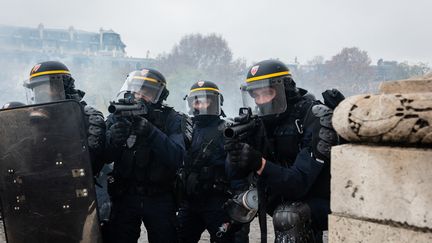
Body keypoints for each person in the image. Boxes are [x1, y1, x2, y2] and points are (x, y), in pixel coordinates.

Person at [225, 60, 339, 242]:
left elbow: (299, 183)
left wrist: (258, 163)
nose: (261, 101)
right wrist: (235, 152)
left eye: (267, 93)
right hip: (284, 198)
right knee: (235, 206)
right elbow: (234, 176)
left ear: (284, 89)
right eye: (256, 95)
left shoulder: (314, 117)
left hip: (326, 199)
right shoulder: (262, 122)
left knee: (287, 216)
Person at [105, 69, 186, 243]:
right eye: (134, 90)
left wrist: (151, 132)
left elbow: (178, 157)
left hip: (159, 197)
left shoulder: (171, 119)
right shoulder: (117, 115)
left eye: (145, 92)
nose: (138, 96)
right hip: (124, 195)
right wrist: (112, 139)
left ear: (159, 96)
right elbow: (101, 158)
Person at [177, 80, 235, 242]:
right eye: (196, 100)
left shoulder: (228, 129)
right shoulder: (186, 127)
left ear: (216, 101)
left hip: (217, 200)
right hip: (189, 201)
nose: (201, 104)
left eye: (206, 100)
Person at [24, 61, 106, 173]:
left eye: (46, 87)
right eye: (37, 89)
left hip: (79, 182)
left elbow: (93, 161)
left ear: (64, 86)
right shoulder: (34, 120)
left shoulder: (87, 117)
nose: (41, 93)